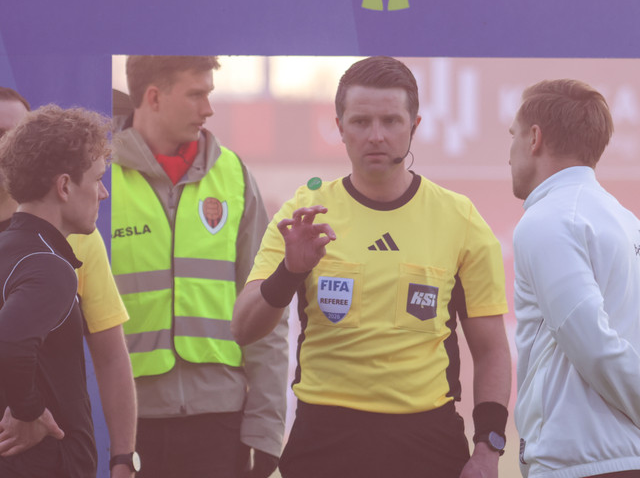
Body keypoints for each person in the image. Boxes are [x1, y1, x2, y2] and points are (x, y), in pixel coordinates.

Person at [232, 56, 512, 478]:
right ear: (339, 127)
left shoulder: (461, 218)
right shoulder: (304, 214)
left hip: (428, 444)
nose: (376, 135)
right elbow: (243, 328)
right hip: (323, 441)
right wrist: (289, 272)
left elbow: (491, 350)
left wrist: (488, 449)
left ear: (414, 125)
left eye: (391, 121)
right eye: (361, 122)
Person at [110, 56, 287, 478]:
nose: (208, 109)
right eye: (196, 95)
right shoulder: (98, 176)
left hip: (220, 424)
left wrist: (265, 429)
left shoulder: (235, 176)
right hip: (123, 424)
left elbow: (267, 310)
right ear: (154, 97)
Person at [0, 86, 139, 477]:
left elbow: (111, 356)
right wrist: (29, 411)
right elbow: (9, 342)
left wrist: (123, 456)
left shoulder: (13, 247)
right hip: (44, 463)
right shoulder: (51, 265)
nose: (104, 193)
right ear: (63, 186)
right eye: (98, 179)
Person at [510, 79, 640, 478]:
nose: (509, 155)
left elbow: (593, 345)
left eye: (513, 136)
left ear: (534, 138)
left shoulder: (548, 219)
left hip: (581, 461)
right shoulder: (626, 220)